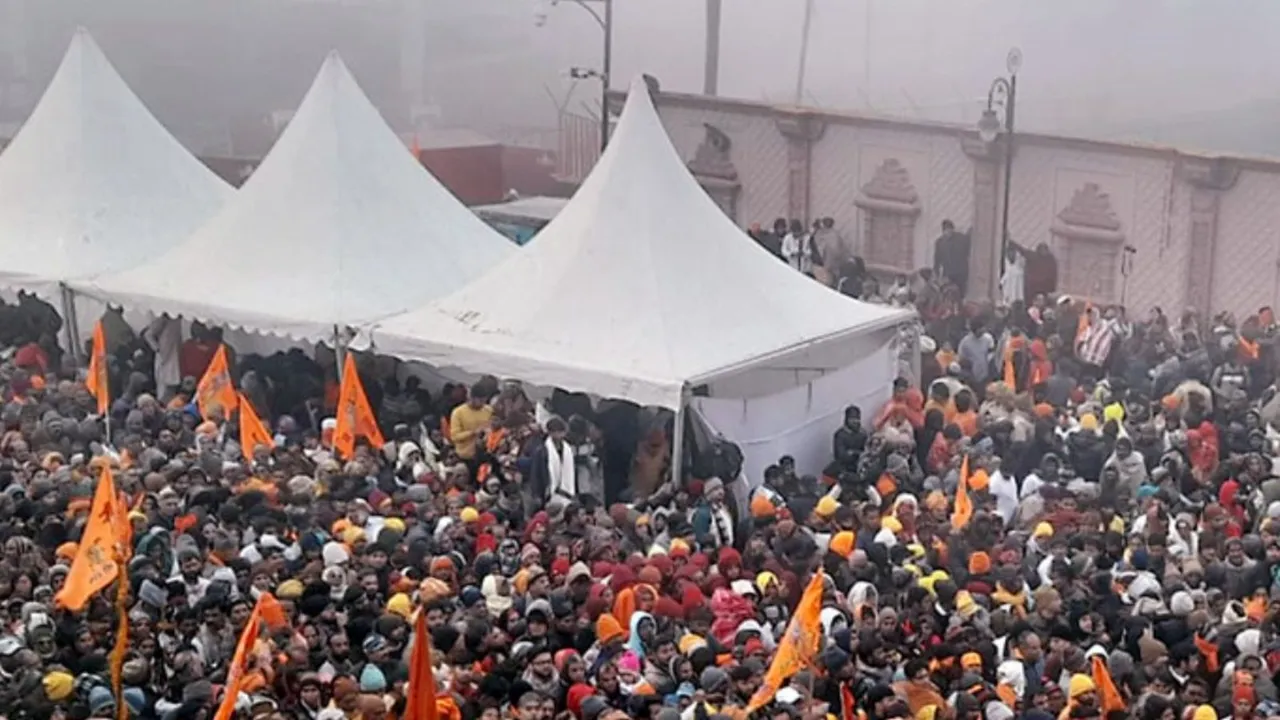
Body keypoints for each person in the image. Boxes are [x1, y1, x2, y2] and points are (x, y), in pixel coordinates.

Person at [933, 219, 971, 296]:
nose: (948, 232)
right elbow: (937, 260)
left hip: (961, 273)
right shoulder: (940, 243)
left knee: (960, 293)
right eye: (946, 230)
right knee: (948, 293)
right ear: (943, 231)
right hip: (948, 274)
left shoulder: (961, 239)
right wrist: (936, 274)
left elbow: (968, 249)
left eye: (950, 229)